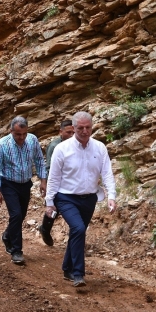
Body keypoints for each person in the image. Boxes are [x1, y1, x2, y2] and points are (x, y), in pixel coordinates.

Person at [46, 112, 117, 287]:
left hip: (89, 198)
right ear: (74, 128)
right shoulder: (62, 149)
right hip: (66, 197)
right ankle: (78, 273)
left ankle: (67, 268)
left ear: (92, 127)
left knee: (77, 232)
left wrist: (112, 196)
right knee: (78, 228)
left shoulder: (99, 148)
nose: (85, 131)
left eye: (88, 127)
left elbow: (107, 172)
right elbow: (54, 177)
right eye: (80, 128)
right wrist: (49, 202)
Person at [0, 116, 47, 265]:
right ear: (11, 131)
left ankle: (7, 235)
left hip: (25, 183)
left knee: (20, 215)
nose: (21, 137)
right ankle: (17, 251)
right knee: (15, 214)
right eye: (18, 134)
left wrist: (43, 181)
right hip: (8, 184)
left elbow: (39, 160)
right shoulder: (1, 145)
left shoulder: (32, 140)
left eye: (24, 134)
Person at [39, 119, 75, 246]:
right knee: (54, 209)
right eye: (68, 132)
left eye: (73, 133)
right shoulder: (54, 146)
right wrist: (50, 186)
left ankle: (75, 240)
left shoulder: (76, 144)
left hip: (71, 184)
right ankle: (45, 229)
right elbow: (49, 167)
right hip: (57, 183)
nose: (71, 135)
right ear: (61, 132)